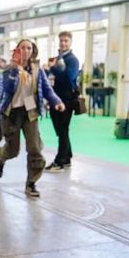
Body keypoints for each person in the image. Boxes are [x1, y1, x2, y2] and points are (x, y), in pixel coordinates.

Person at [0, 39, 64, 197]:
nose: (25, 51)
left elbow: (46, 89)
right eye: (22, 48)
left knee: (34, 148)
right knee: (12, 150)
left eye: (28, 48)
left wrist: (56, 102)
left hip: (30, 111)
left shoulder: (37, 69)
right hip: (11, 113)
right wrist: (15, 69)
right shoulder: (9, 69)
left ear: (33, 51)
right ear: (17, 50)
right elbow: (8, 88)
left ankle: (31, 183)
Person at [46, 31, 80, 171]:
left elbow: (68, 77)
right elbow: (49, 79)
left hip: (66, 100)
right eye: (61, 40)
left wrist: (53, 68)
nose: (63, 43)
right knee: (60, 130)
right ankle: (67, 157)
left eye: (66, 40)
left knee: (63, 129)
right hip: (55, 98)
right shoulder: (55, 58)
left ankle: (59, 161)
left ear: (70, 42)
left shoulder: (73, 60)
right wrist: (48, 69)